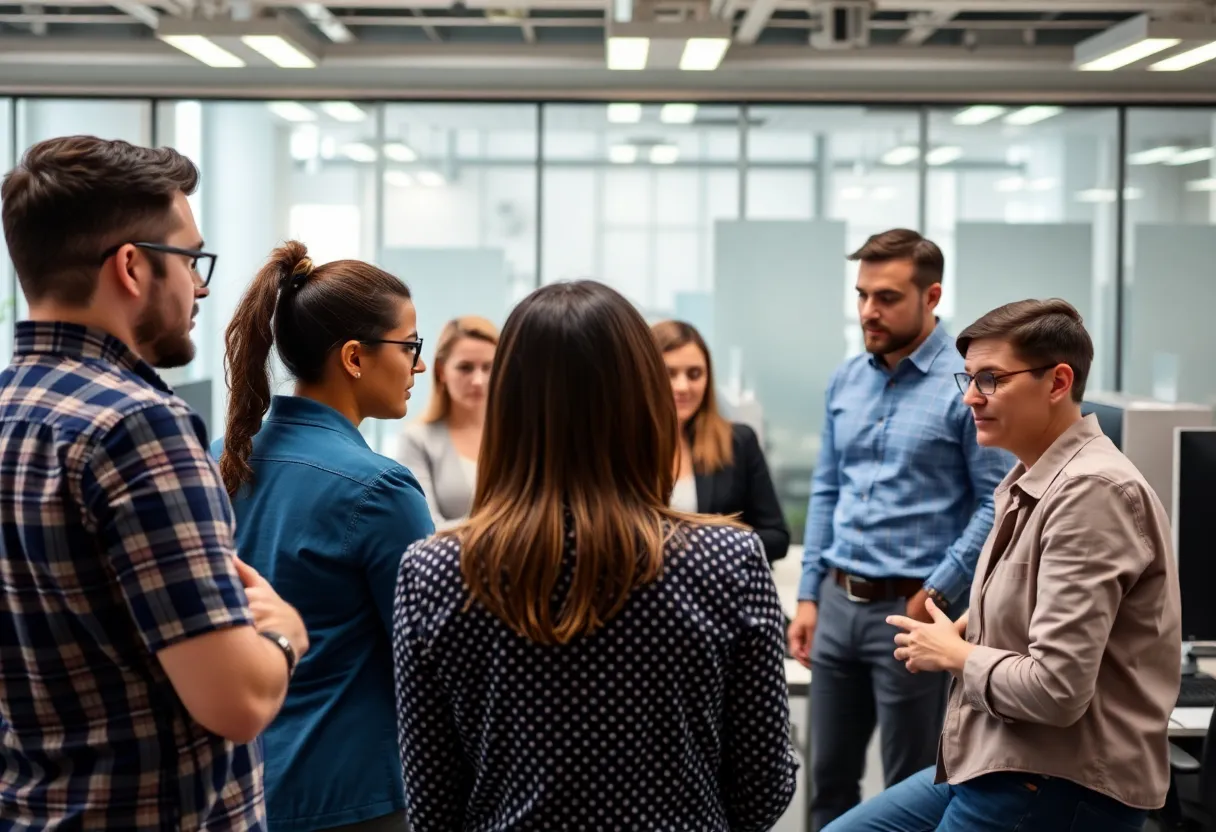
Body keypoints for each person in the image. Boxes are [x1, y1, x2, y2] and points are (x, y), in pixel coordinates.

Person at [392, 280, 798, 831]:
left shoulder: (434, 571)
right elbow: (763, 784)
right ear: (644, 399)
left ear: (507, 401)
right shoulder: (726, 560)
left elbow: (433, 804)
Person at [0, 135, 308, 829]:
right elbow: (237, 701)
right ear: (133, 267)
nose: (200, 285)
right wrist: (285, 634)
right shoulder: (140, 427)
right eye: (189, 259)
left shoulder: (11, 412)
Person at [825, 298, 1182, 832]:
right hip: (996, 758)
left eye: (990, 379)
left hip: (1053, 779)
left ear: (1058, 382)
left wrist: (955, 654)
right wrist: (976, 623)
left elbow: (1056, 690)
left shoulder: (1092, 493)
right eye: (967, 379)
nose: (971, 397)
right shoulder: (1028, 479)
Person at [787, 228, 1014, 830]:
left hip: (913, 612)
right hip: (837, 603)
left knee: (909, 786)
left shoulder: (967, 384)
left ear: (931, 295)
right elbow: (827, 490)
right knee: (827, 780)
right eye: (862, 294)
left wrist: (937, 588)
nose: (868, 310)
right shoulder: (846, 380)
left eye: (886, 297)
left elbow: (997, 500)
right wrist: (809, 593)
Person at [215, 241, 434, 832]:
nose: (418, 365)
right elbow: (426, 657)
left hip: (236, 785)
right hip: (351, 797)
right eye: (411, 346)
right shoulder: (380, 489)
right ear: (355, 358)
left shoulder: (216, 461)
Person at [651, 319, 790, 564]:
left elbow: (777, 539)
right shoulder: (621, 447)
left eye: (695, 374)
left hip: (717, 597)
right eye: (669, 373)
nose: (683, 386)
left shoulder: (738, 442)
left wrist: (707, 546)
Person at [398, 315, 497, 529]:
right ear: (442, 371)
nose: (478, 380)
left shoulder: (517, 435)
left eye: (488, 367)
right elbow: (425, 526)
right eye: (465, 368)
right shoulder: (418, 439)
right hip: (450, 561)